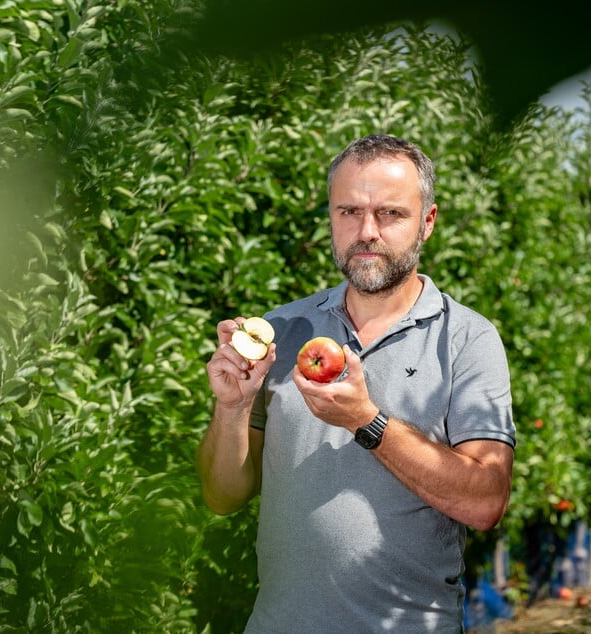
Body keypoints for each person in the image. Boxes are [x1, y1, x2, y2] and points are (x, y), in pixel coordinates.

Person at [197, 133, 516, 633]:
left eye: (390, 214)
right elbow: (223, 496)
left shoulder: (466, 339)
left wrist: (366, 421)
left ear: (427, 222)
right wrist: (233, 409)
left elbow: (485, 501)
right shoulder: (283, 332)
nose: (367, 231)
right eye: (348, 212)